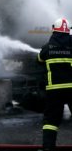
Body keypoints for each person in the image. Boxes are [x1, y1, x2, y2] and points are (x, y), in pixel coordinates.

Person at [37, 18, 72, 151]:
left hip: (54, 90)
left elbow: (39, 59)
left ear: (54, 29)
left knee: (51, 121)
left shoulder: (48, 47)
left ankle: (48, 148)